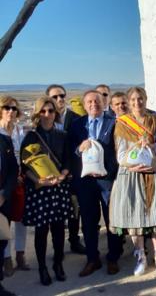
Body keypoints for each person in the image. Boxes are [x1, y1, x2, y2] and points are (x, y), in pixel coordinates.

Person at [109, 87, 156, 276]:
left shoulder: (154, 119)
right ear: (128, 102)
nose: (137, 103)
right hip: (131, 174)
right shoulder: (122, 124)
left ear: (146, 99)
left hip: (153, 170)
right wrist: (131, 166)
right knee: (134, 216)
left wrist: (152, 145)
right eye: (133, 100)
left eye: (140, 99)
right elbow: (120, 155)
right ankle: (141, 257)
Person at [68, 90, 123, 277]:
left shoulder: (113, 122)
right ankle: (93, 259)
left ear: (103, 103)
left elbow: (120, 149)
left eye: (97, 101)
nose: (94, 104)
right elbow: (70, 153)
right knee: (89, 223)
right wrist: (78, 149)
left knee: (112, 221)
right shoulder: (77, 125)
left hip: (108, 180)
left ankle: (113, 258)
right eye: (90, 102)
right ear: (84, 105)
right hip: (85, 182)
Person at [21, 97, 73, 285]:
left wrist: (62, 175)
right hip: (40, 190)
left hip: (58, 188)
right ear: (37, 114)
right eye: (43, 111)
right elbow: (24, 166)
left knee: (59, 230)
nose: (47, 115)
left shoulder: (62, 135)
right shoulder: (31, 137)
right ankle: (43, 267)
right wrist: (39, 180)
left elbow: (68, 160)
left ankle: (58, 264)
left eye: (50, 111)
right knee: (41, 231)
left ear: (55, 114)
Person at [46, 85, 85, 255]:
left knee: (75, 209)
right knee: (57, 212)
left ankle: (75, 241)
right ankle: (58, 248)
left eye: (62, 95)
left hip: (74, 172)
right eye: (55, 97)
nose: (60, 99)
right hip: (53, 174)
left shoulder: (76, 119)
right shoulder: (45, 121)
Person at [0, 96, 29, 275]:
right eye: (6, 108)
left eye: (14, 109)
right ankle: (6, 258)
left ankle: (20, 254)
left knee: (21, 220)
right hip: (4, 184)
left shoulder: (19, 131)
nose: (10, 111)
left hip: (21, 181)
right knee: (4, 222)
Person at [0, 130, 19, 296]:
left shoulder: (5, 140)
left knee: (1, 243)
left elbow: (13, 170)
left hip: (2, 201)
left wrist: (4, 194)